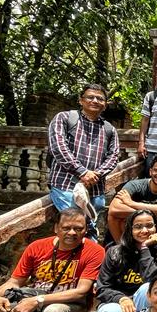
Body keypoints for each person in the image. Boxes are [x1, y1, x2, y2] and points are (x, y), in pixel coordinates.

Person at [46, 84, 120, 239]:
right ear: (81, 100)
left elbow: (114, 156)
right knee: (77, 226)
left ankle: (90, 252)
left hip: (95, 188)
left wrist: (95, 174)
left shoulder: (109, 129)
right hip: (66, 185)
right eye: (90, 97)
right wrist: (83, 172)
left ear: (105, 104)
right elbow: (58, 148)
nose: (95, 101)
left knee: (87, 226)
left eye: (100, 99)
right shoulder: (65, 118)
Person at [106, 154, 157, 244]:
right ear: (150, 171)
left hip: (155, 227)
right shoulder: (134, 185)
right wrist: (156, 209)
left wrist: (131, 203)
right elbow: (114, 209)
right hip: (135, 224)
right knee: (113, 216)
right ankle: (121, 246)